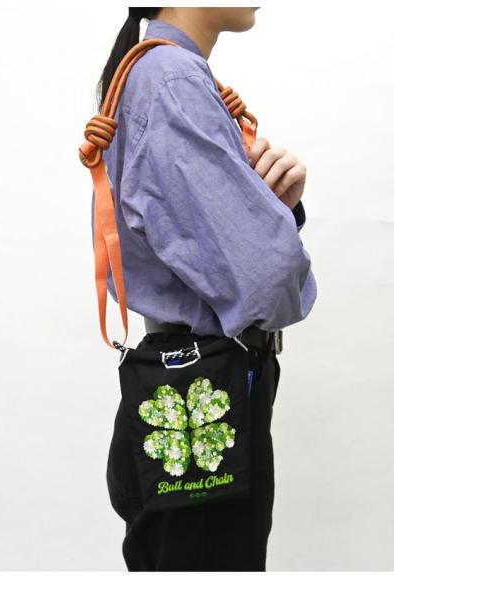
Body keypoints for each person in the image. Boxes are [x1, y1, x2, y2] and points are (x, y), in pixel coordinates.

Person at [93, 7, 317, 571]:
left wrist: (275, 209)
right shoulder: (172, 80)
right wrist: (275, 228)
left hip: (187, 391)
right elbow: (268, 278)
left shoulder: (158, 72)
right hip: (206, 395)